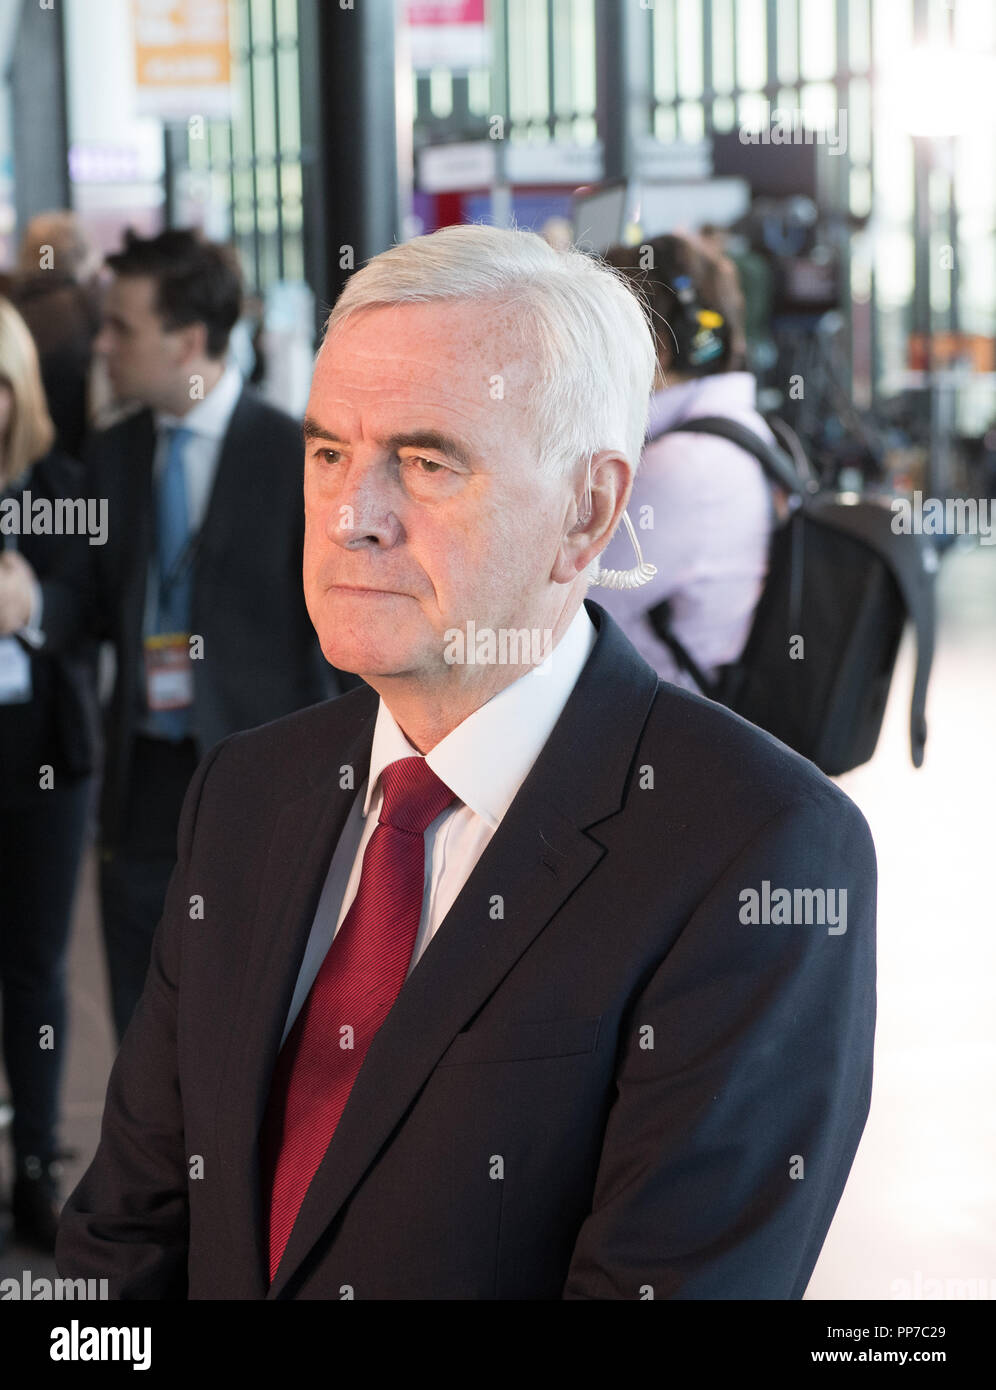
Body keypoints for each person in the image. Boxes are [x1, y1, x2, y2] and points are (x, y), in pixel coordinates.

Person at [57, 223, 876, 1299]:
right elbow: (128, 1229)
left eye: (427, 461)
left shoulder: (755, 851)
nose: (353, 518)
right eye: (328, 452)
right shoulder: (249, 791)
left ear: (586, 513)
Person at [82, 227, 346, 1044]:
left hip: (263, 786)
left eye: (123, 327)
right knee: (143, 1019)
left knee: (254, 1022)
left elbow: (336, 638)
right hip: (143, 780)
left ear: (189, 340)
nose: (104, 345)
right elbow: (86, 603)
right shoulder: (112, 455)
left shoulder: (297, 458)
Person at [0, 296, 99, 1251]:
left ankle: (37, 1165)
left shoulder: (62, 483)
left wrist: (31, 603)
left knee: (36, 970)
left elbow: (88, 608)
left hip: (42, 760)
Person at [595, 232, 776, 693]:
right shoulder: (736, 428)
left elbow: (565, 606)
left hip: (658, 727)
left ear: (657, 346)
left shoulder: (680, 467)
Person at [8, 211, 105, 461]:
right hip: (81, 451)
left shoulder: (9, 313)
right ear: (83, 254)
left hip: (22, 456)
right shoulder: (91, 307)